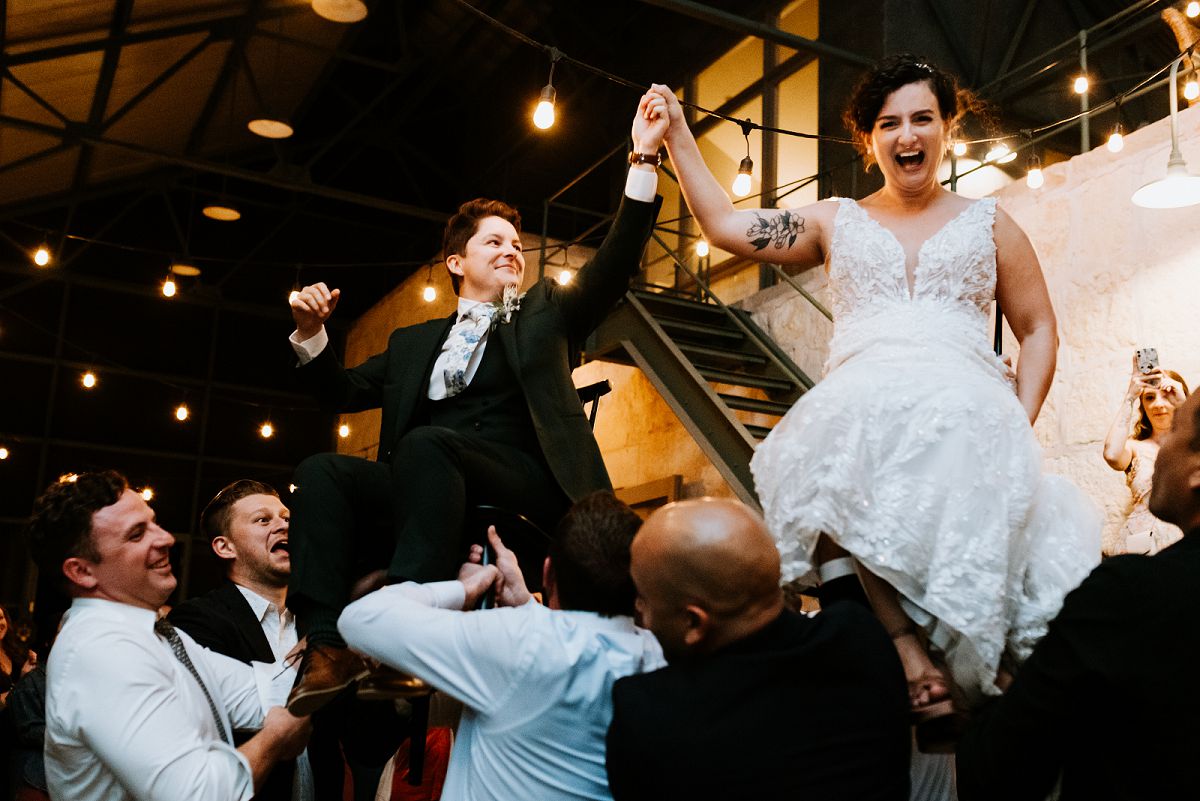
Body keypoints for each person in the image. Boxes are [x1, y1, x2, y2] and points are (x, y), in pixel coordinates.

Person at [647, 54, 1099, 725]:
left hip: (965, 408)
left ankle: (968, 687)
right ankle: (908, 652)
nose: (907, 134)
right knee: (833, 445)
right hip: (863, 400)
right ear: (869, 140)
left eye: (922, 118)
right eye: (890, 123)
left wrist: (1017, 421)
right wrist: (679, 134)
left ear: (949, 127)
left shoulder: (991, 222)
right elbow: (724, 228)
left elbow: (1038, 330)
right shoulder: (836, 220)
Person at [283, 93, 667, 715]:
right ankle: (325, 645)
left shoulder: (546, 311)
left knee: (429, 443)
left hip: (527, 481)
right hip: (428, 487)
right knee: (321, 470)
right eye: (494, 241)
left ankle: (404, 622)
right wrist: (310, 333)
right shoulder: (412, 344)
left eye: (517, 241)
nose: (512, 248)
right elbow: (340, 392)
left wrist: (644, 156)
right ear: (456, 261)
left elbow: (618, 257)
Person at [338, 491, 666, 801]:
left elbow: (361, 619)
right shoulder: (661, 659)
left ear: (549, 573)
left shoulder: (518, 641)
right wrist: (524, 604)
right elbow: (580, 645)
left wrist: (462, 589)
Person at [957, 388, 1200, 800]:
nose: (1158, 450)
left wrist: (986, 684)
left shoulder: (1131, 594)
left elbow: (1004, 770)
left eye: (1174, 428)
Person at [27, 470, 311, 801]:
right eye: (136, 535)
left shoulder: (158, 637)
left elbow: (267, 693)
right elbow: (198, 794)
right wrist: (276, 736)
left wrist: (333, 636)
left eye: (153, 524)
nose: (165, 539)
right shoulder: (103, 651)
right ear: (82, 571)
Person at [605, 497, 910, 801]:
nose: (640, 611)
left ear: (694, 623)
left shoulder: (651, 714)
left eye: (644, 598)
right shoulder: (858, 636)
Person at [169, 480, 406, 801]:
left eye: (287, 518)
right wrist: (340, 655)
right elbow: (240, 715)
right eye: (263, 520)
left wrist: (387, 674)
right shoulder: (197, 621)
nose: (283, 525)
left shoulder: (317, 623)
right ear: (225, 547)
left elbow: (369, 747)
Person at [1101, 356, 1189, 555]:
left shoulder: (1193, 448)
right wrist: (1130, 396)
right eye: (1150, 397)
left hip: (1186, 543)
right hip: (1141, 545)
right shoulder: (1134, 448)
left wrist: (1185, 405)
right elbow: (1112, 454)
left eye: (1166, 395)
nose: (1158, 404)